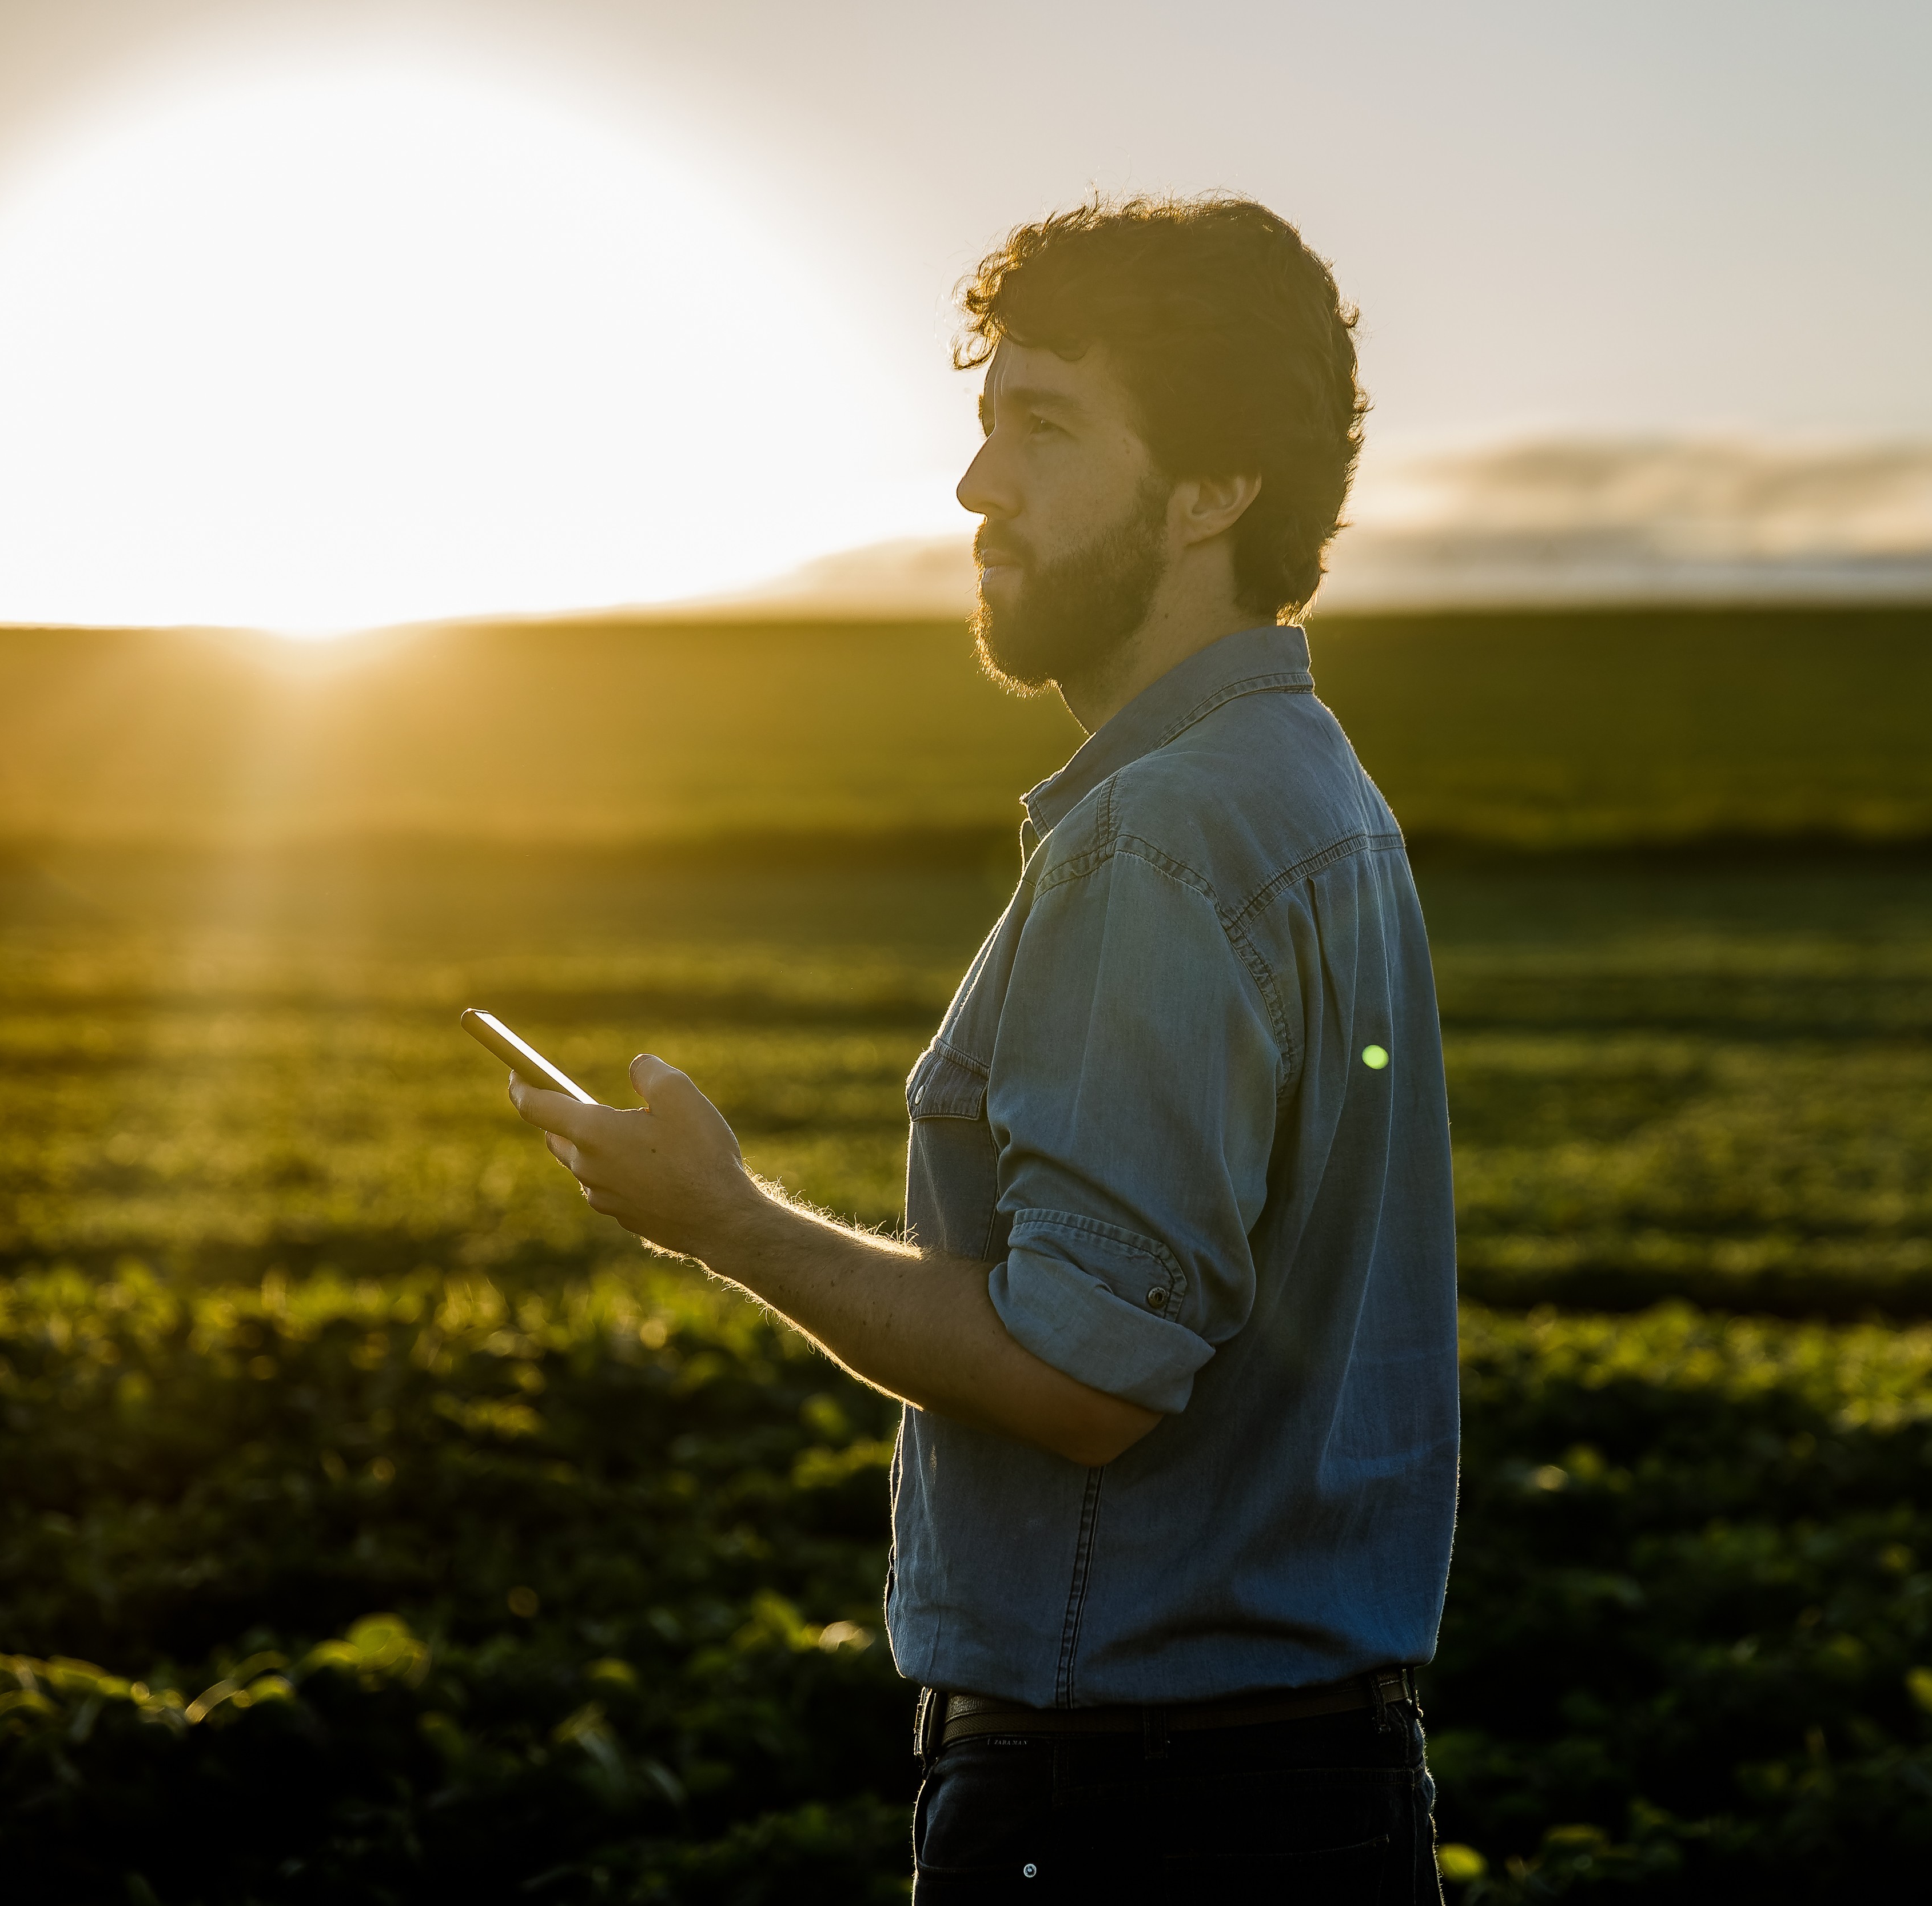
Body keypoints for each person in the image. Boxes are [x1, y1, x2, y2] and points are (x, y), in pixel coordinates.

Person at [507, 194, 1457, 1901]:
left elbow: (1086, 1375)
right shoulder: (1318, 798)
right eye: (983, 423)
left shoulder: (1161, 841)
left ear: (1215, 489)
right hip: (1299, 1792)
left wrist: (722, 1219)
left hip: (1141, 1824)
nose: (976, 489)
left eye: (1046, 426)